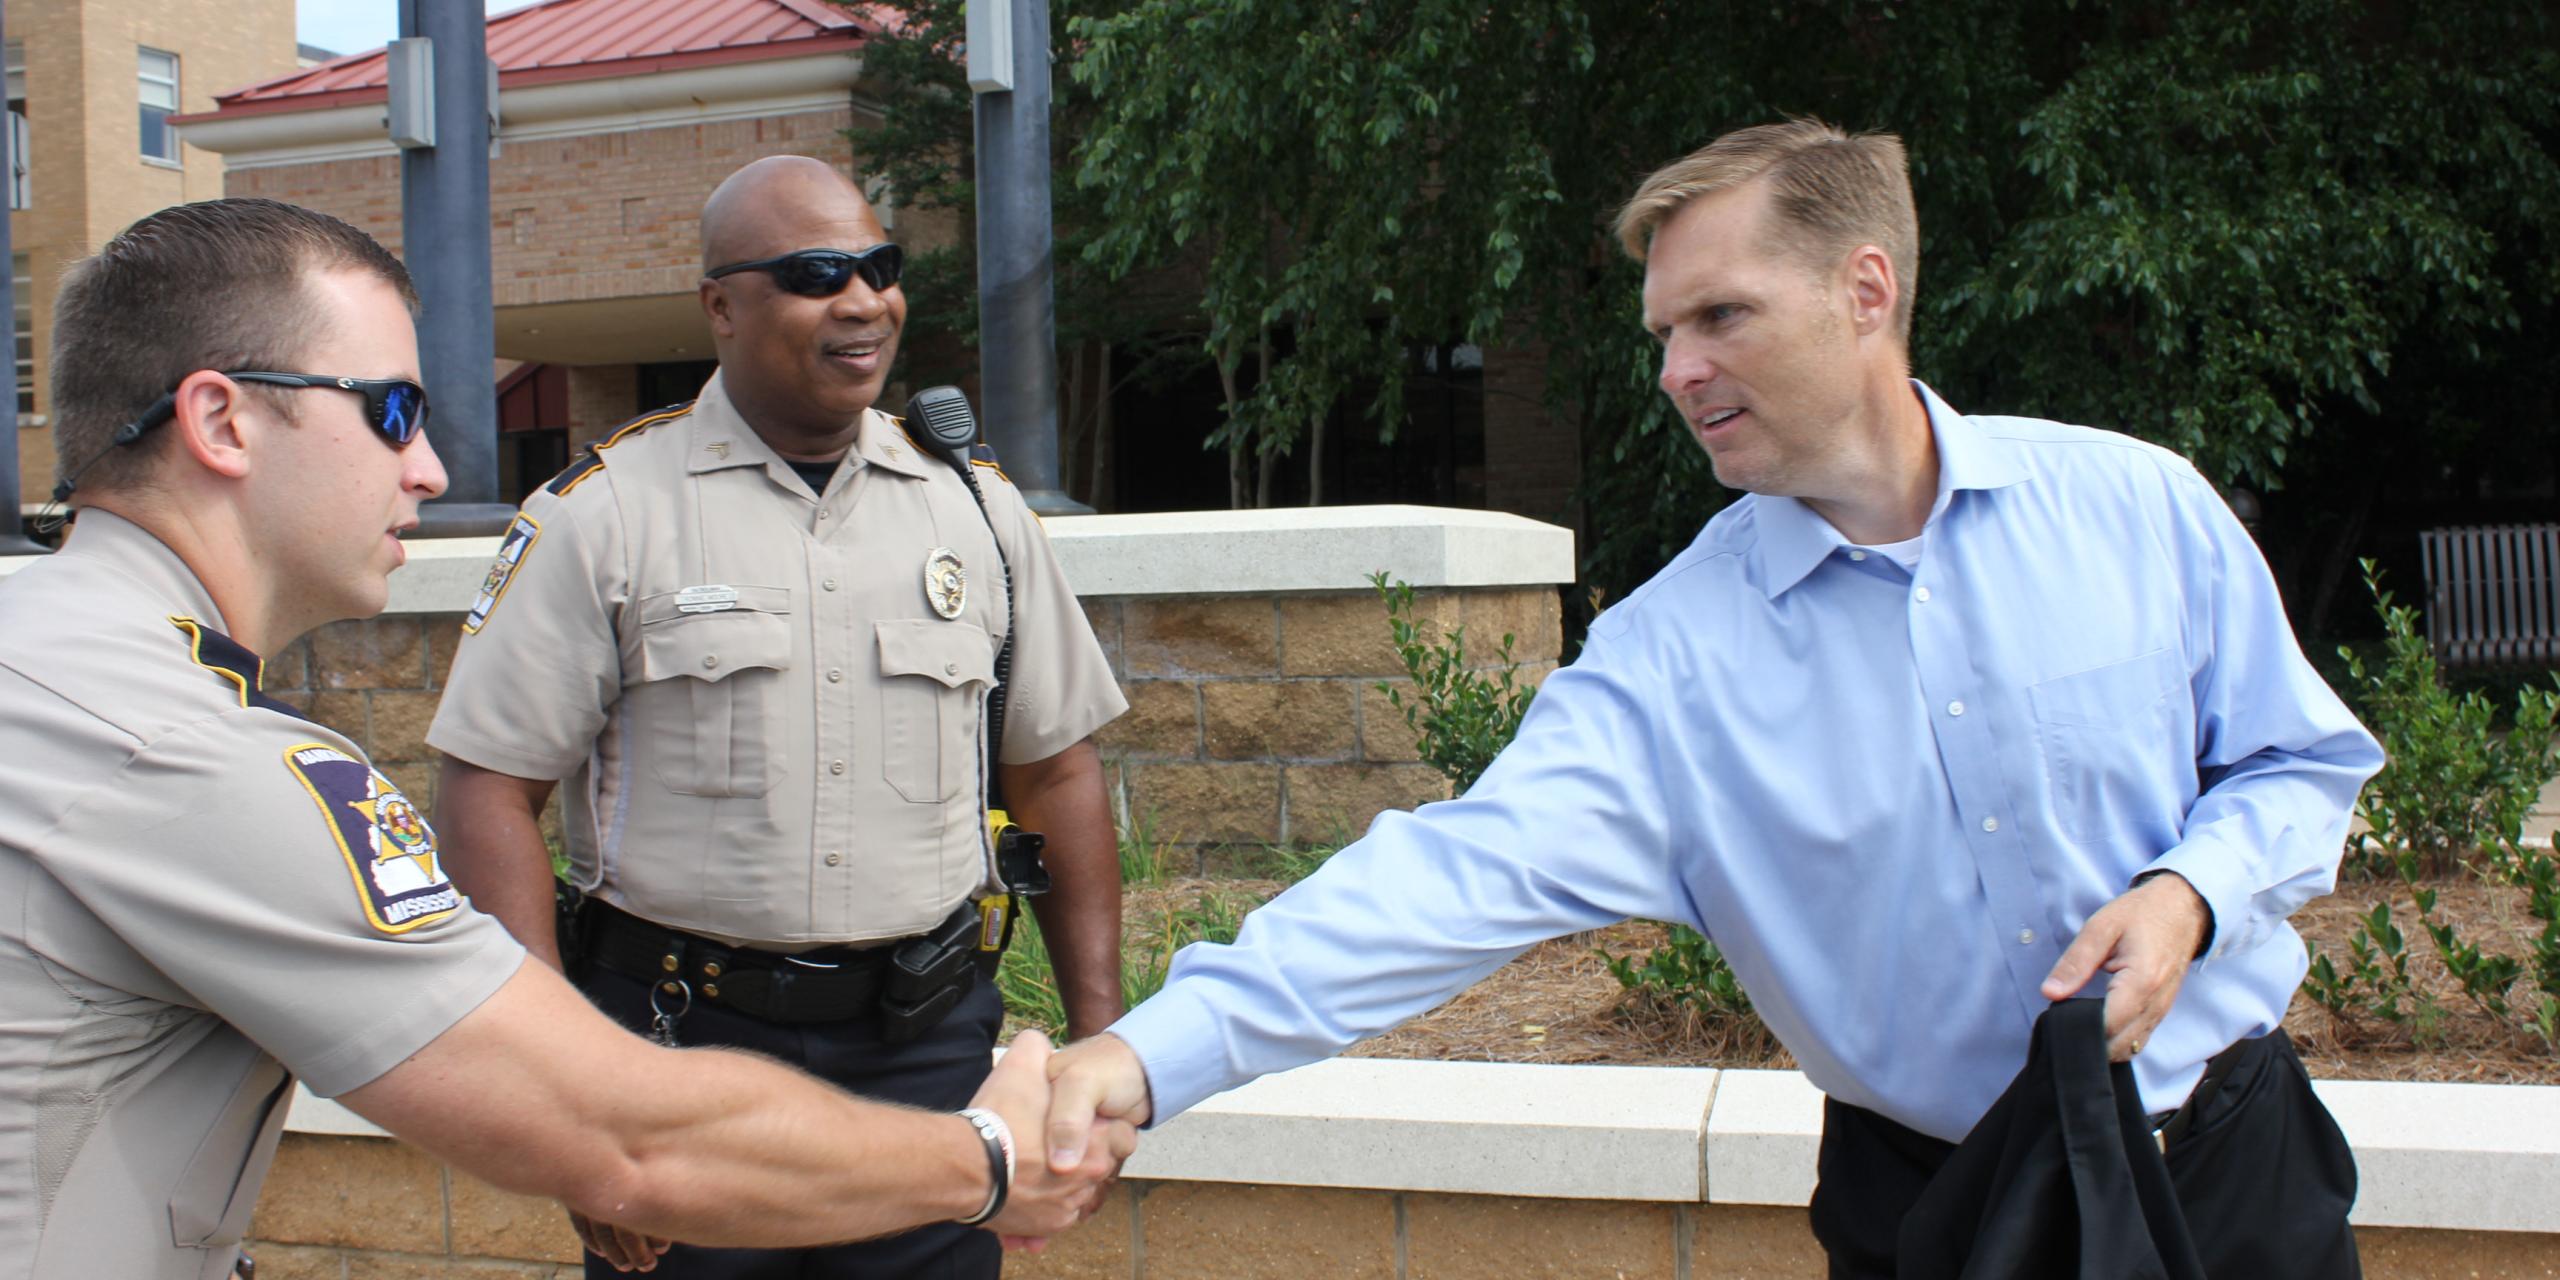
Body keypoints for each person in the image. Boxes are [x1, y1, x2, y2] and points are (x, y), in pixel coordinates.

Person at [1044, 119, 2383, 1278]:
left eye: (1720, 316)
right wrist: (1146, 1058)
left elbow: (2298, 765)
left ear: (1866, 290)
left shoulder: (2135, 508)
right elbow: (1446, 879)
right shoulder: (1671, 661)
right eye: (1664, 333)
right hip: (1945, 1206)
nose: (1677, 369)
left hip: (2233, 1168)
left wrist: (2189, 895)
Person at [0, 198, 1129, 1280]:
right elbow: (616, 1133)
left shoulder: (46, 658)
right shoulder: (187, 754)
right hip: (688, 1024)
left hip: (917, 1014)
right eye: (391, 410)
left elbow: (1053, 762)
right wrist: (985, 1160)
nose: (431, 468)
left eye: (879, 267)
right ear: (220, 419)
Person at [429, 155, 1129, 1279]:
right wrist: (560, 1096)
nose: (862, 301)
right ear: (721, 306)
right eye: (814, 274)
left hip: (928, 1047)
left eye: (879, 267)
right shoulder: (606, 512)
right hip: (677, 1044)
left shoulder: (977, 512)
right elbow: (488, 789)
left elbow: (1054, 771)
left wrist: (1102, 1040)